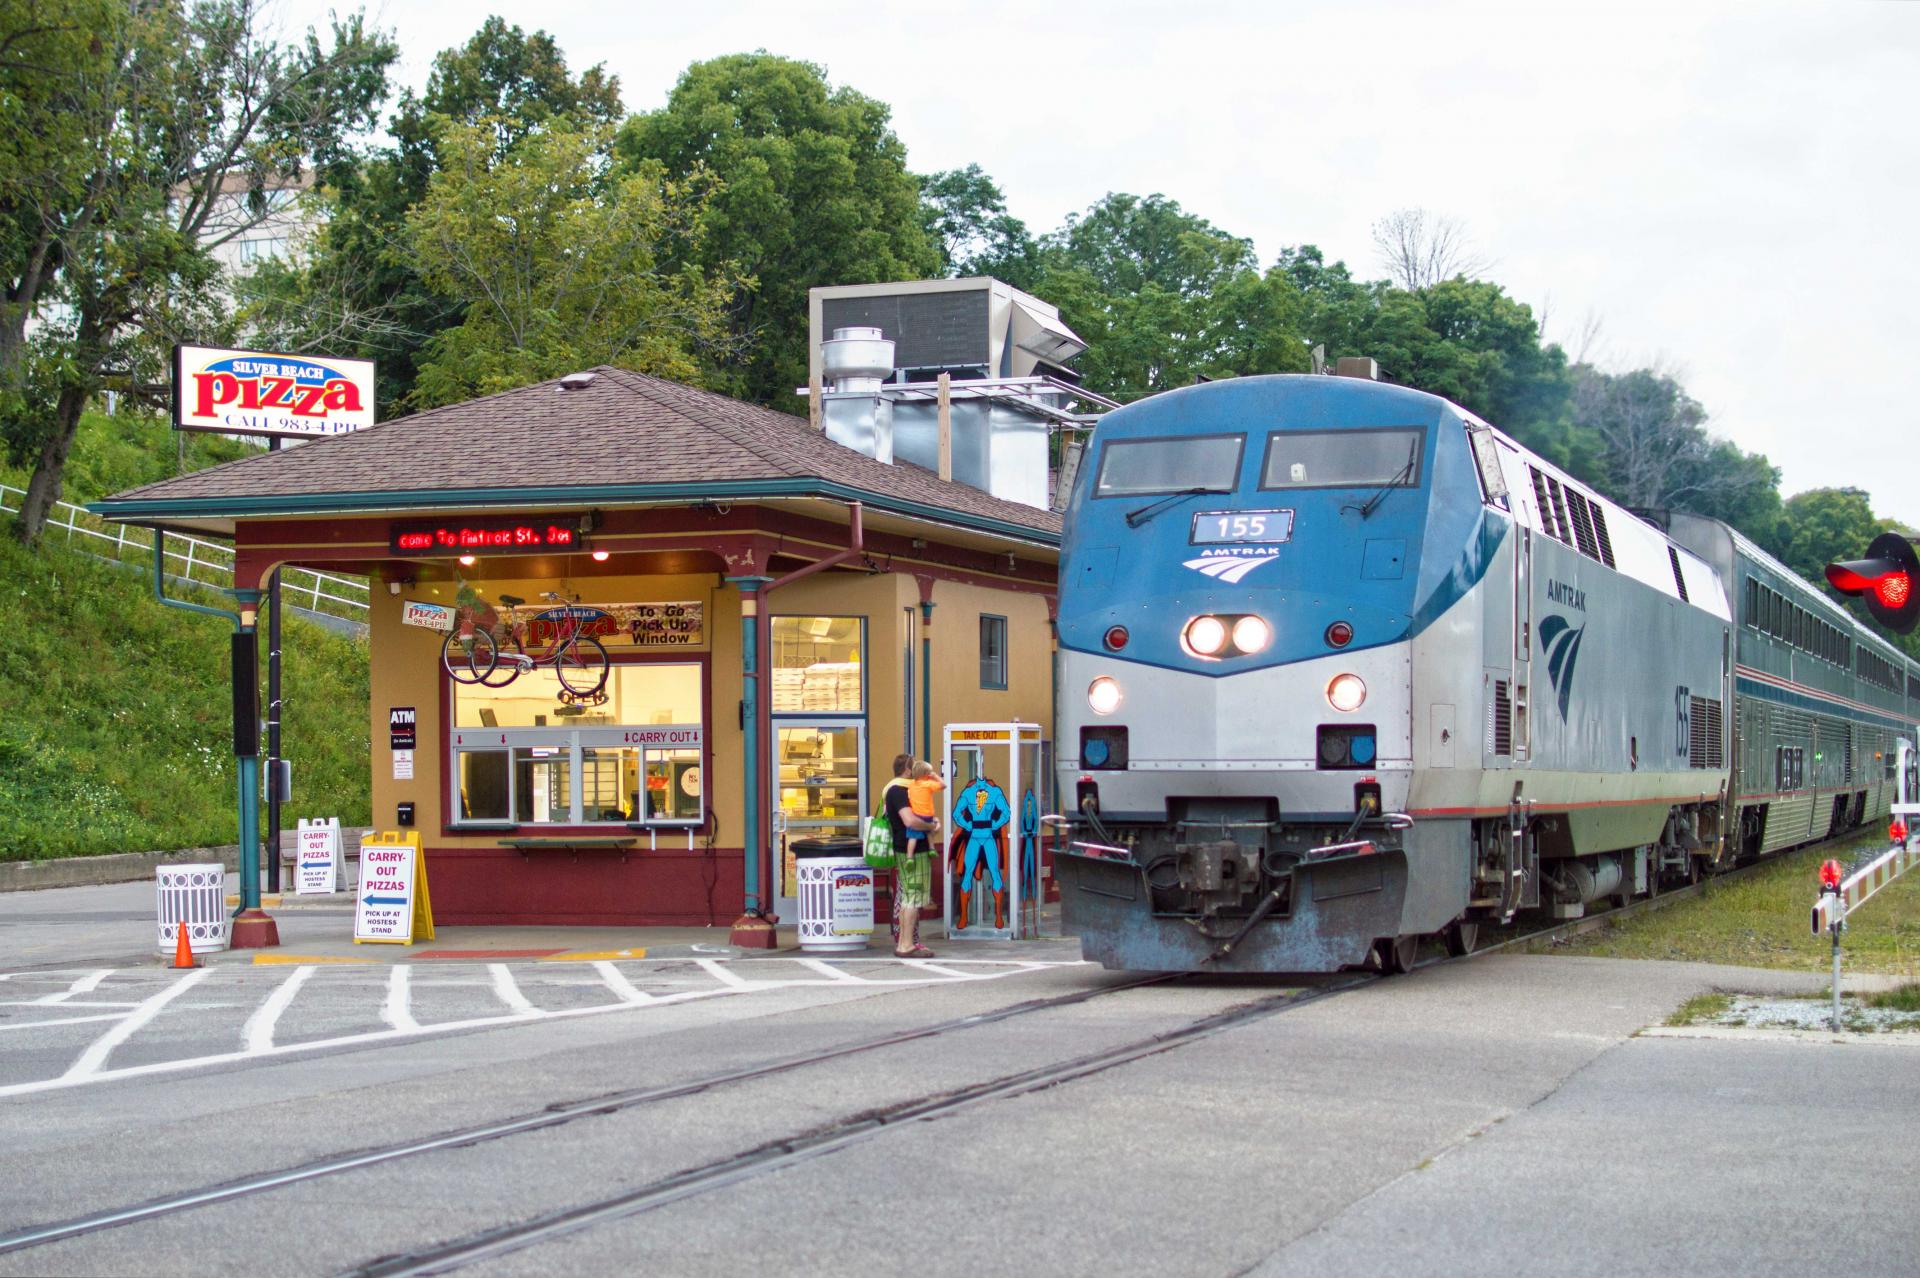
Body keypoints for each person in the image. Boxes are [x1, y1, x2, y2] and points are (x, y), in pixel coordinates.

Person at [884, 752, 938, 958]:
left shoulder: (896, 790)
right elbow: (910, 821)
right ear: (907, 770)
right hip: (913, 852)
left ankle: (906, 943)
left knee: (909, 896)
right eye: (914, 766)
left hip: (905, 849)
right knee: (913, 897)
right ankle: (905, 944)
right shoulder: (899, 791)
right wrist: (931, 826)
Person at [905, 761, 945, 857]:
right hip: (928, 814)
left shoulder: (911, 784)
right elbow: (944, 785)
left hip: (916, 814)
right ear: (927, 774)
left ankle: (909, 856)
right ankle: (931, 848)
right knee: (930, 830)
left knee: (913, 836)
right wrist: (935, 776)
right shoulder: (928, 784)